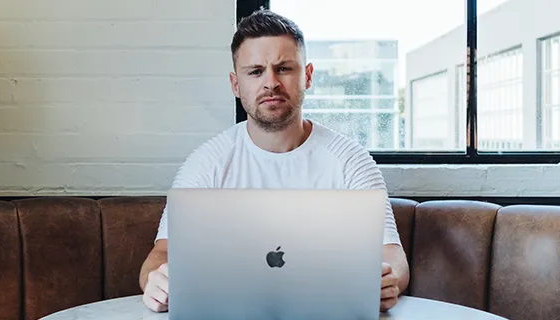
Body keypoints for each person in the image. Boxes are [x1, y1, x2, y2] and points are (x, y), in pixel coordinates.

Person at [138, 9, 410, 314]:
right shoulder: (208, 161)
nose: (271, 83)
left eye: (283, 69)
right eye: (255, 71)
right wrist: (156, 280)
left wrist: (389, 280)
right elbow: (161, 253)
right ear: (235, 84)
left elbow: (392, 253)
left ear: (307, 75)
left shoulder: (350, 160)